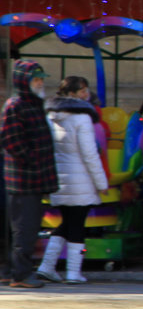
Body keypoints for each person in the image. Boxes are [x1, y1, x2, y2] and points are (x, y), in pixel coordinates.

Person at [37, 76, 107, 284]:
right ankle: (73, 272)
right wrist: (101, 183)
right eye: (83, 91)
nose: (87, 94)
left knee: (66, 222)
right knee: (77, 224)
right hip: (81, 180)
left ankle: (47, 266)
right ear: (71, 94)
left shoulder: (52, 116)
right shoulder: (82, 117)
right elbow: (89, 154)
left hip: (60, 179)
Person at [1, 60, 58, 288]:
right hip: (23, 179)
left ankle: (10, 270)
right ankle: (21, 274)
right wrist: (31, 160)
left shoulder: (34, 104)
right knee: (25, 228)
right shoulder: (16, 105)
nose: (40, 83)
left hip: (35, 178)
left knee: (27, 227)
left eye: (41, 79)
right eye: (36, 79)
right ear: (23, 81)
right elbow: (11, 140)